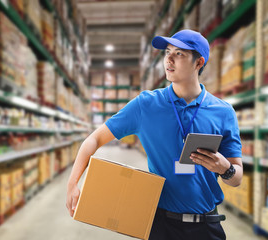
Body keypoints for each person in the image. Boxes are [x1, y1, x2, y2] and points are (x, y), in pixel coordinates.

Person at [66, 29, 243, 240]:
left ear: (199, 63)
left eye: (179, 54)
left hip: (206, 227)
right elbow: (93, 139)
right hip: (160, 226)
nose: (168, 59)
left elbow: (236, 178)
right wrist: (72, 183)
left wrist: (225, 169)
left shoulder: (223, 112)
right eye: (167, 52)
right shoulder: (147, 105)